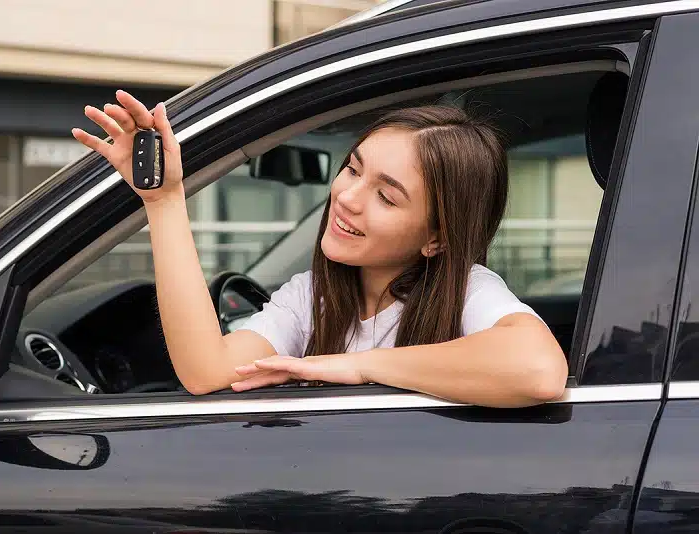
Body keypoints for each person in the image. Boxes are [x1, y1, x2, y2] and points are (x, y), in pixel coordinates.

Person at [72, 90, 568, 408]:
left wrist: (356, 367)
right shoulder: (313, 296)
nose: (346, 196)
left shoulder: (468, 292)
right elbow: (207, 372)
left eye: (386, 195)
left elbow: (538, 370)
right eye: (352, 169)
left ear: (437, 238)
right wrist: (163, 202)